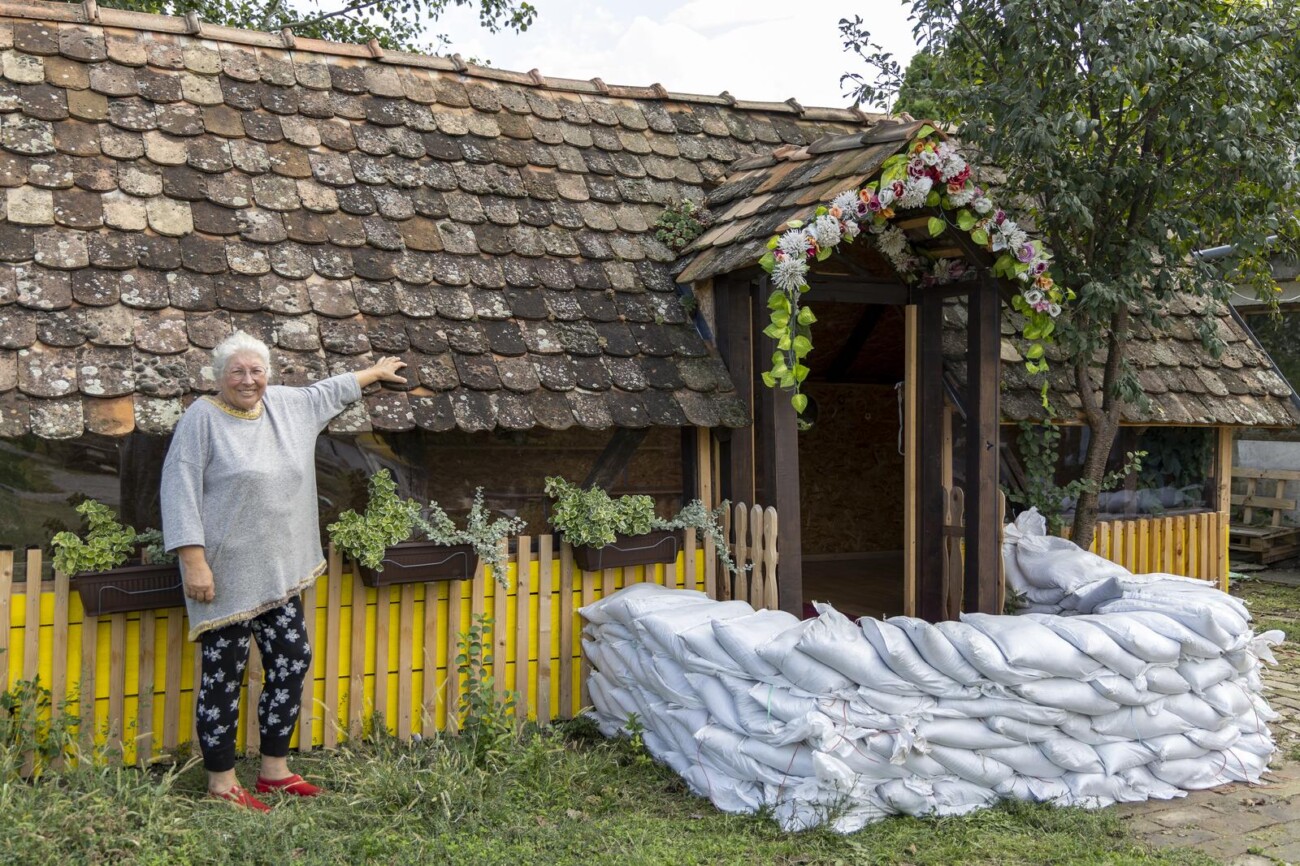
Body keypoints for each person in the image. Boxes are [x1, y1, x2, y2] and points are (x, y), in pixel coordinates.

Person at [161, 331, 406, 811]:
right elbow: (179, 488)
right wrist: (194, 562)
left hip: (277, 575)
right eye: (237, 372)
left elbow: (326, 392)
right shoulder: (201, 419)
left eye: (256, 371)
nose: (248, 380)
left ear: (267, 374)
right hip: (224, 578)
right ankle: (222, 782)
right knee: (223, 679)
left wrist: (373, 373)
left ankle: (274, 770)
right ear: (218, 377)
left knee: (292, 660)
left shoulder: (285, 407)